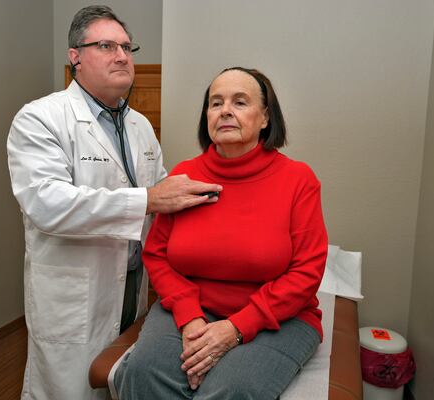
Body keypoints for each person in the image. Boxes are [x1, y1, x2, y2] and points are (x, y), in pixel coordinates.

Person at [7, 5, 221, 400]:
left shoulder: (139, 125)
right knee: (66, 391)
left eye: (126, 46)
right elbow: (47, 204)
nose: (122, 55)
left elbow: (162, 195)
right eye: (106, 45)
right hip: (76, 293)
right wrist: (150, 199)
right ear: (75, 58)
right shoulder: (40, 118)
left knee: (117, 382)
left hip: (132, 284)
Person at [113, 67, 328, 399]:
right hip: (193, 308)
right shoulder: (185, 175)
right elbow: (157, 254)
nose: (225, 110)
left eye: (240, 102)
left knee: (232, 390)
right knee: (143, 372)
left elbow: (306, 272)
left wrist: (235, 329)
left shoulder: (298, 179)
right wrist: (189, 317)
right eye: (216, 103)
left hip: (281, 317)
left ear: (266, 117)